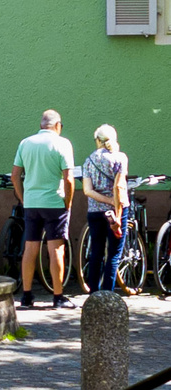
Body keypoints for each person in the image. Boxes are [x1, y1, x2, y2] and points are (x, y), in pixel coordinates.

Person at [12, 109, 75, 310]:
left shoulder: (25, 143)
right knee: (56, 248)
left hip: (31, 203)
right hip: (54, 202)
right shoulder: (63, 143)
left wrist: (23, 198)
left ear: (41, 125)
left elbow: (15, 176)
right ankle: (58, 296)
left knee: (30, 247)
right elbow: (69, 179)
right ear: (58, 125)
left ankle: (27, 295)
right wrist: (69, 202)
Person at [81, 124, 129, 293]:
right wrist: (115, 205)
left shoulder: (88, 161)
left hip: (94, 212)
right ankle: (109, 294)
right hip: (115, 212)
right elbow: (119, 188)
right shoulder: (120, 158)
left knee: (96, 252)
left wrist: (105, 200)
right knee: (114, 254)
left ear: (97, 141)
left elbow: (87, 191)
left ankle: (94, 293)